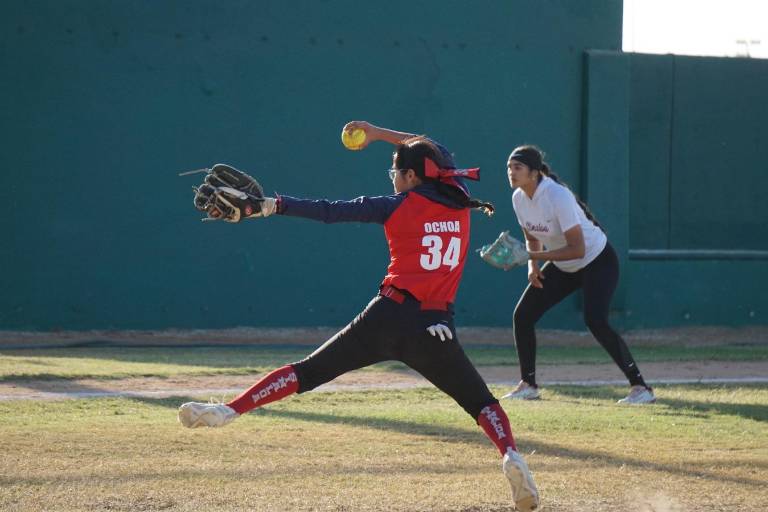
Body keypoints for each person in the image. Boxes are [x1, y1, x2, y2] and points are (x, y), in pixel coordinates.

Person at [178, 122, 540, 511]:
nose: (393, 179)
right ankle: (510, 455)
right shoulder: (460, 199)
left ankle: (227, 410)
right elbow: (432, 150)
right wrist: (379, 135)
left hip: (387, 316)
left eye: (396, 172)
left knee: (307, 372)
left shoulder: (398, 204)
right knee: (481, 403)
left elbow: (330, 212)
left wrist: (269, 205)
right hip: (435, 328)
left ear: (412, 175)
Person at [502, 145, 655, 405]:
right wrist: (532, 267)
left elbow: (577, 248)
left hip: (597, 261)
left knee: (596, 320)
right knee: (523, 315)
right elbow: (532, 236)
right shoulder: (519, 197)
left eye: (517, 168)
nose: (511, 173)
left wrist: (531, 258)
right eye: (509, 168)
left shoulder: (557, 196)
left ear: (535, 172)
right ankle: (528, 385)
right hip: (564, 266)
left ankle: (641, 388)